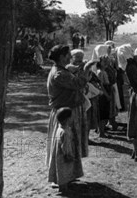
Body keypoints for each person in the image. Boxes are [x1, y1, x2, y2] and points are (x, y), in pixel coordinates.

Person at [46, 45, 90, 188]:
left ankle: (68, 176)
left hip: (66, 111)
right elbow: (78, 83)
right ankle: (60, 179)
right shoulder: (59, 74)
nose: (69, 57)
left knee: (69, 146)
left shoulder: (61, 71)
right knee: (63, 147)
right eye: (66, 55)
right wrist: (86, 69)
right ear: (61, 57)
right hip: (63, 114)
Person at [47, 107, 82, 192]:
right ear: (67, 119)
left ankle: (62, 185)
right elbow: (65, 145)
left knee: (61, 171)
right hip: (64, 156)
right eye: (71, 117)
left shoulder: (60, 129)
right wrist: (69, 155)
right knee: (64, 171)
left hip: (59, 156)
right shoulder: (65, 132)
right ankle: (63, 189)